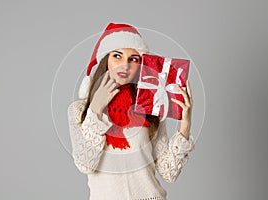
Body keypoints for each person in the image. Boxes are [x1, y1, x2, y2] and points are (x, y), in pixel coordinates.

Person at [67, 22, 195, 200]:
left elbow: (169, 172)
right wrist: (96, 109)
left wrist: (185, 125)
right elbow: (86, 164)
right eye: (117, 56)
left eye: (133, 59)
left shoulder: (150, 107)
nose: (124, 65)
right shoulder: (79, 111)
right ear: (106, 60)